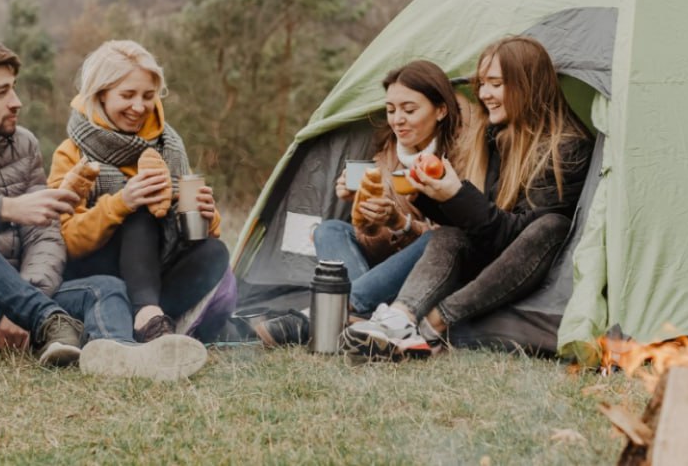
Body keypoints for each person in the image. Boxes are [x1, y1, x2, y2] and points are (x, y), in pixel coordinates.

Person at [0, 35, 207, 379]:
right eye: (1, 92)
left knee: (107, 287)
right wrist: (6, 208)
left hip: (26, 291)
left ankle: (121, 353)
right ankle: (30, 321)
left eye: (14, 88)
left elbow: (45, 233)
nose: (17, 102)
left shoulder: (22, 144)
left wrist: (24, 299)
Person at [343, 35, 593, 361]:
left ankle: (434, 324)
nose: (484, 94)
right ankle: (401, 319)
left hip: (529, 267)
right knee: (447, 234)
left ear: (527, 85)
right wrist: (433, 195)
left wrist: (456, 194)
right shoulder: (496, 137)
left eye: (496, 84)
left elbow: (517, 236)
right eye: (482, 84)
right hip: (489, 258)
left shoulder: (567, 148)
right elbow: (482, 229)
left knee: (552, 225)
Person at [251, 60, 463, 347]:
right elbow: (372, 242)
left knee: (438, 238)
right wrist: (364, 212)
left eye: (409, 110)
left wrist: (402, 223)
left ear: (441, 110)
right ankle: (361, 316)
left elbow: (454, 243)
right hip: (384, 271)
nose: (397, 119)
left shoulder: (462, 152)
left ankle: (317, 316)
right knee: (330, 230)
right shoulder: (387, 156)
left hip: (429, 272)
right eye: (391, 110)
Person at [49, 40, 229, 344]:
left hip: (155, 272)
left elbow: (194, 236)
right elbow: (65, 240)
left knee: (215, 252)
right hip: (99, 272)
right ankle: (147, 317)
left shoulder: (169, 145)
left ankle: (153, 322)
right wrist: (121, 203)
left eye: (148, 96)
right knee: (139, 214)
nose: (139, 107)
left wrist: (208, 218)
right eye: (127, 95)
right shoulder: (71, 153)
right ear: (101, 94)